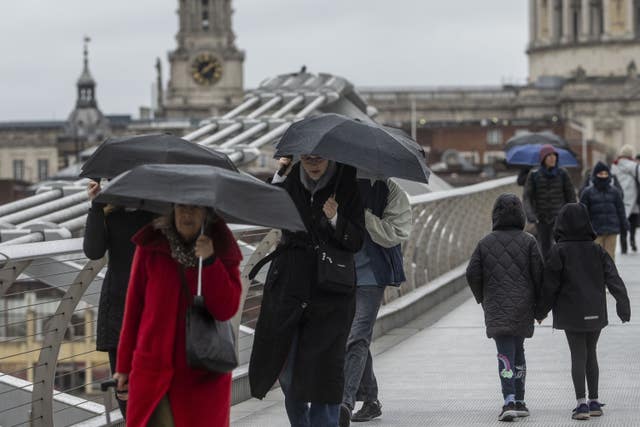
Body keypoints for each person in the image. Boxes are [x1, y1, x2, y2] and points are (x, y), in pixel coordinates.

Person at [249, 155, 365, 427]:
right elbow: (266, 211)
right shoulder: (288, 181)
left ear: (330, 157)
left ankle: (323, 423)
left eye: (319, 157)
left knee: (326, 370)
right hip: (289, 285)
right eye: (307, 157)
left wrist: (335, 218)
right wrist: (279, 175)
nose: (313, 163)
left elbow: (357, 239)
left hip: (331, 291)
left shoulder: (346, 183)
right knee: (287, 370)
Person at [114, 204, 242, 426]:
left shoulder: (221, 245)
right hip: (153, 369)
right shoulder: (151, 244)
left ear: (207, 213)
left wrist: (210, 262)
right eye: (181, 207)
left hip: (201, 373)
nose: (186, 214)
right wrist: (123, 367)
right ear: (172, 209)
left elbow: (227, 309)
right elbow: (134, 308)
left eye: (194, 208)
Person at [536, 203, 630, 420]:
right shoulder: (597, 250)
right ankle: (594, 401)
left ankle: (581, 404)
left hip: (571, 313)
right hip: (595, 311)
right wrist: (622, 305)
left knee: (578, 355)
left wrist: (540, 311)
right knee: (591, 353)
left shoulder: (558, 251)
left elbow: (550, 286)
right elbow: (613, 278)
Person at [339, 178, 412, 427]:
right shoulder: (337, 184)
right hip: (340, 273)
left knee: (357, 336)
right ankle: (370, 399)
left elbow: (396, 233)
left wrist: (365, 216)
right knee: (353, 336)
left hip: (372, 274)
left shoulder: (391, 191)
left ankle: (345, 402)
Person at [466, 194, 543, 422]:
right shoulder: (529, 241)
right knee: (519, 352)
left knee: (504, 355)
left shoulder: (485, 242)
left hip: (497, 306)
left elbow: (472, 273)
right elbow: (539, 275)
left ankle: (508, 399)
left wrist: (483, 297)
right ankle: (520, 400)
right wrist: (539, 308)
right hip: (523, 306)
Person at [82, 180, 154, 417]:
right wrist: (96, 205)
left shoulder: (162, 214)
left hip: (155, 305)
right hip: (120, 305)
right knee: (124, 386)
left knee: (153, 382)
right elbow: (93, 251)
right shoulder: (110, 212)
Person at [523, 144, 576, 259]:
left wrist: (571, 214)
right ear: (543, 159)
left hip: (559, 217)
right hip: (541, 218)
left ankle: (561, 271)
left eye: (554, 155)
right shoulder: (534, 175)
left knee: (561, 246)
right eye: (549, 156)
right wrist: (531, 216)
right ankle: (547, 272)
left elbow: (571, 196)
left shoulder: (563, 174)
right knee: (544, 248)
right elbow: (527, 197)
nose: (552, 158)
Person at [579, 162, 628, 261]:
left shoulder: (615, 192)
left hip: (611, 229)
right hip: (595, 231)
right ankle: (597, 276)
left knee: (610, 258)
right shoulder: (587, 192)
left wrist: (624, 224)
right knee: (596, 258)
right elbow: (582, 213)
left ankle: (610, 276)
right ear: (595, 175)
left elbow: (620, 210)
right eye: (600, 174)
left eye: (605, 174)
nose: (603, 176)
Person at [611, 145, 640, 253]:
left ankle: (624, 245)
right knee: (633, 220)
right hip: (633, 198)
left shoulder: (614, 165)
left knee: (623, 220)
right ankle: (632, 239)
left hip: (619, 196)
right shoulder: (633, 165)